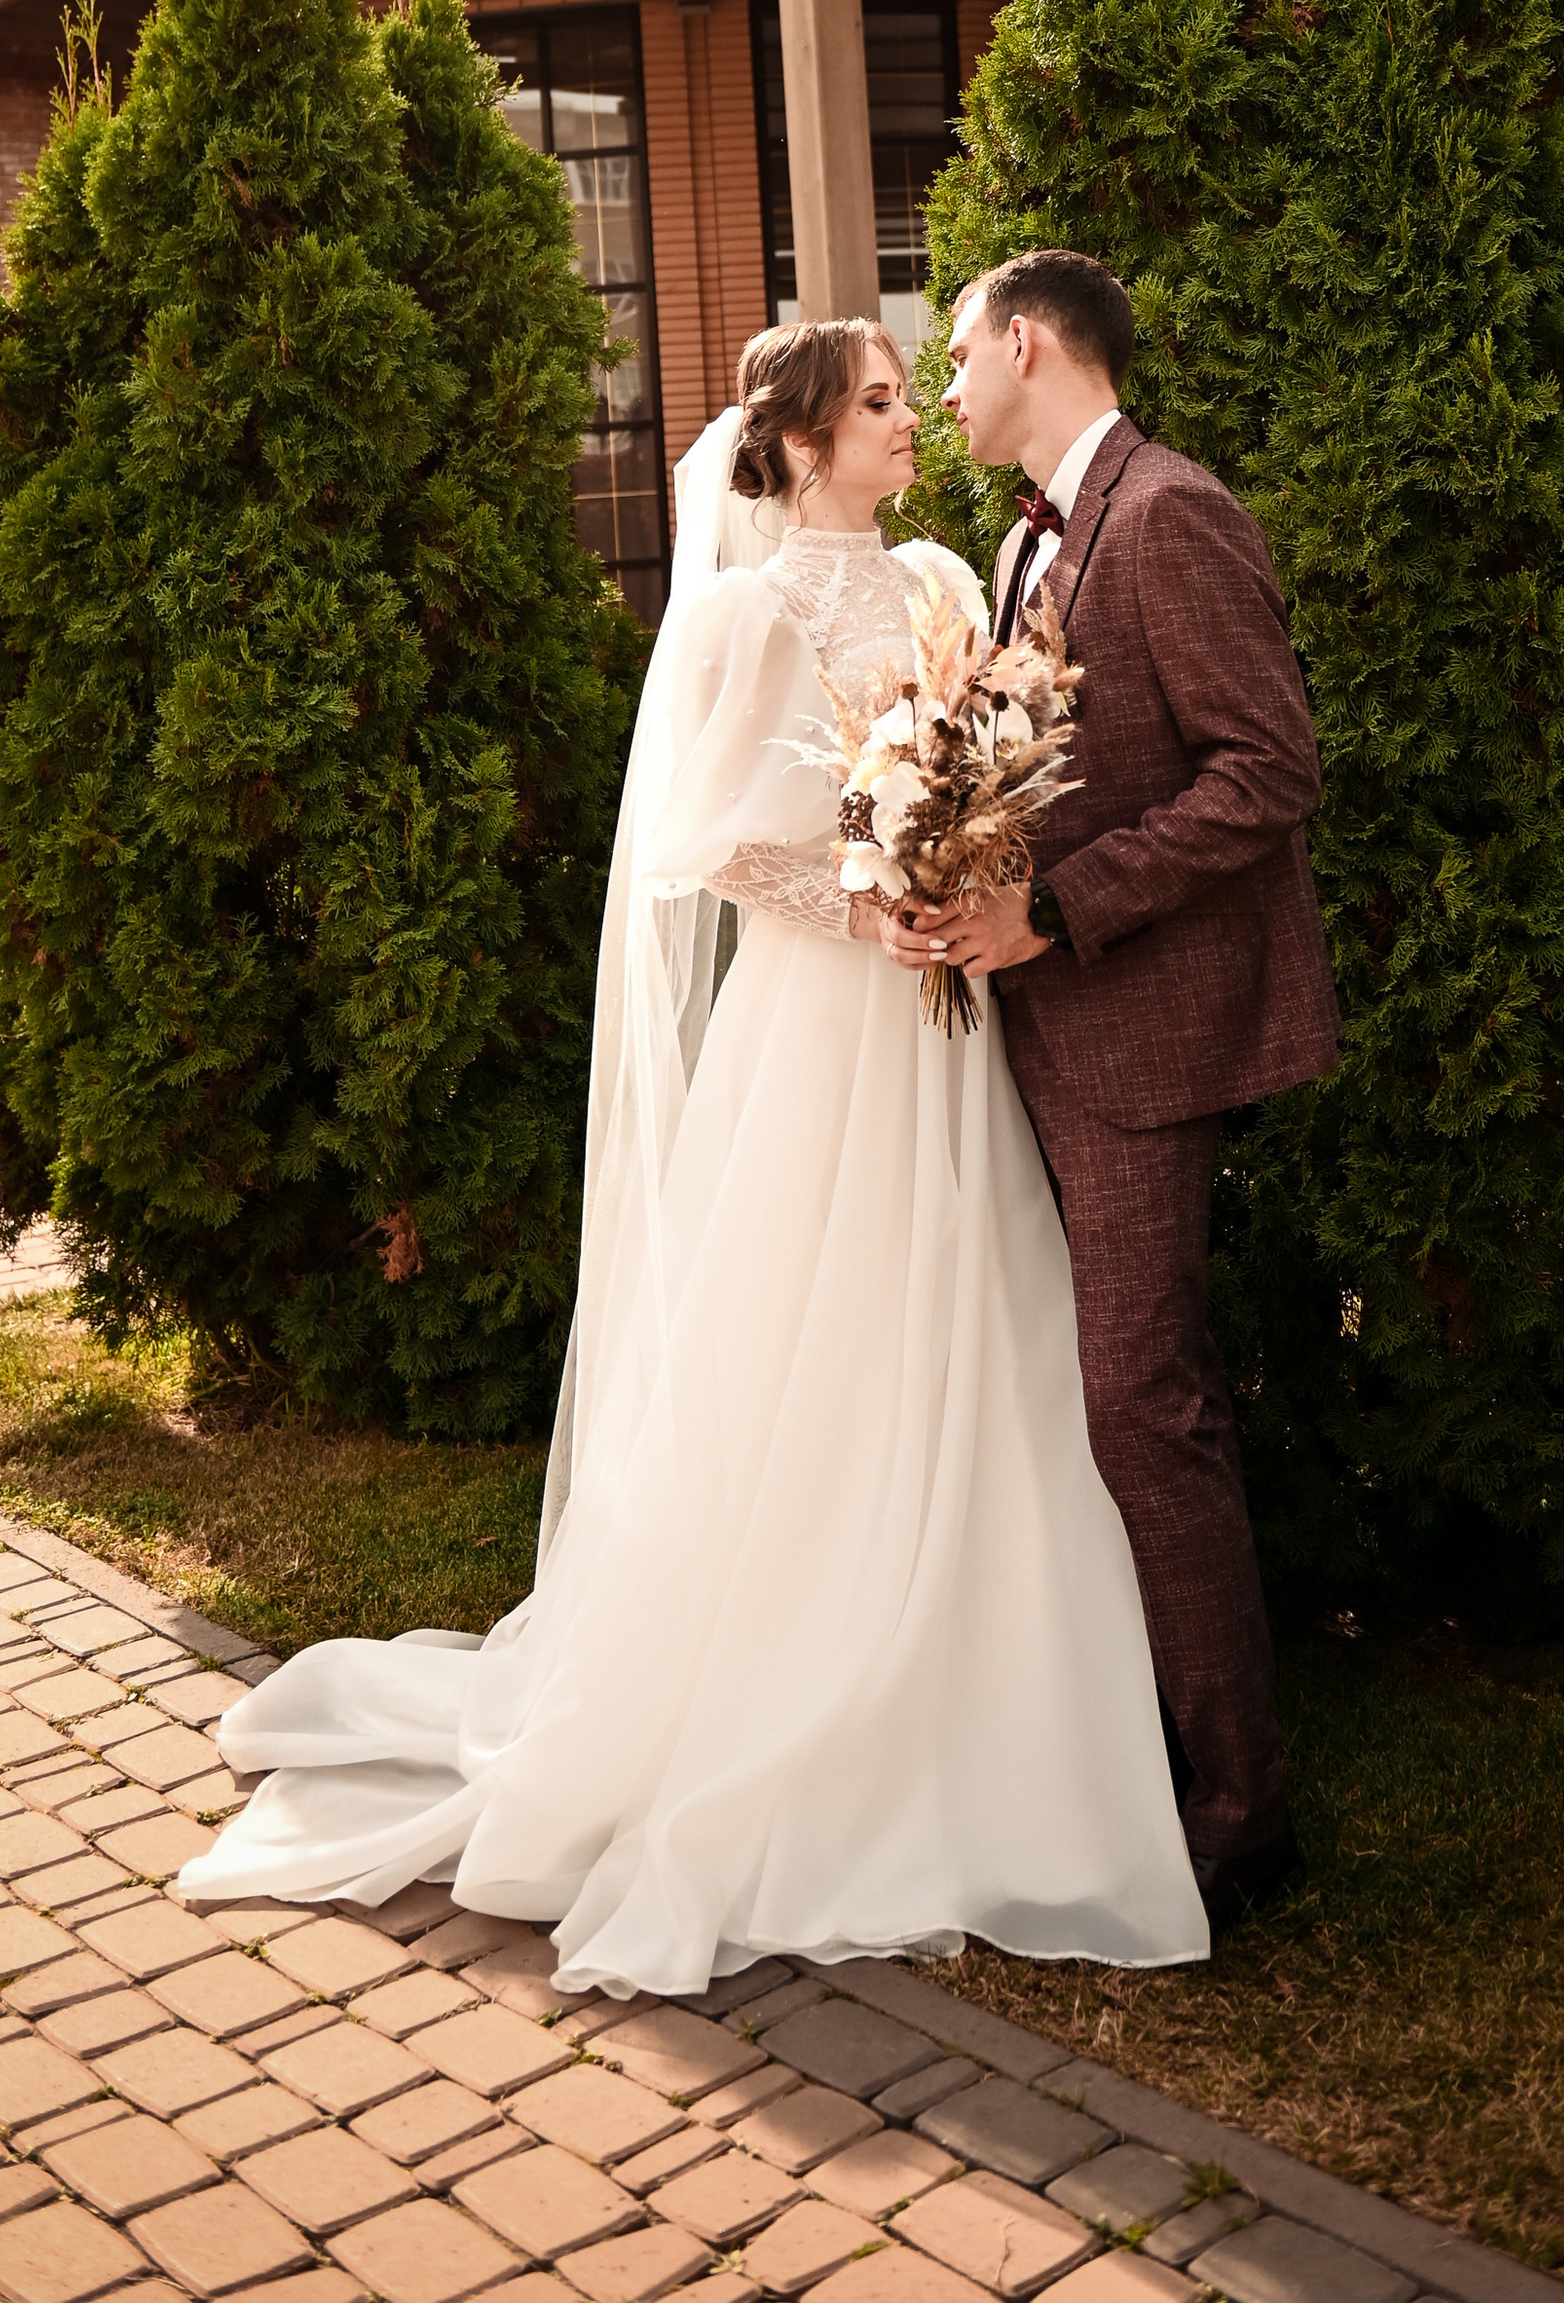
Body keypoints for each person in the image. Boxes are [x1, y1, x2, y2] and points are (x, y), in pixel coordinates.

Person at [177, 315, 1205, 1999]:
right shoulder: (744, 614)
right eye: (878, 404)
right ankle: (790, 1669)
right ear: (797, 442)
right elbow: (708, 846)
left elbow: (997, 760)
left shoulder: (951, 579)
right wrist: (873, 900)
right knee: (807, 1329)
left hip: (950, 1025)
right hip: (826, 1025)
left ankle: (990, 1678)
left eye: (904, 397)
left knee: (977, 1314)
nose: (904, 425)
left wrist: (966, 861)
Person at [886, 251, 1337, 1927]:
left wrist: (1056, 909)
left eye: (953, 355)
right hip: (1041, 1033)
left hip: (1145, 1044)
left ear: (1024, 344)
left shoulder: (1171, 516)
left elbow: (1270, 770)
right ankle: (1120, 1739)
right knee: (1086, 1405)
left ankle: (1241, 1815)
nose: (942, 388)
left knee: (1146, 1406)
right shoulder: (1019, 540)